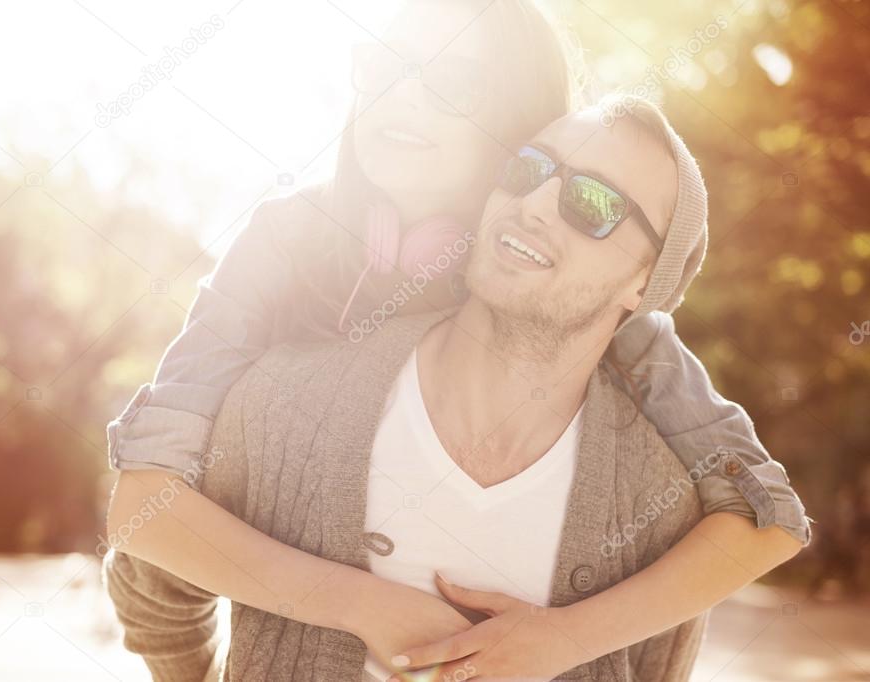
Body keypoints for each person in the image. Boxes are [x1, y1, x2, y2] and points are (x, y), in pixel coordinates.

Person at [104, 0, 810, 678]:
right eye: (385, 64)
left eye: (450, 81)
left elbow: (764, 516)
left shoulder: (622, 344)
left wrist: (564, 638)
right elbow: (147, 514)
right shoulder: (286, 248)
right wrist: (353, 604)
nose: (402, 96)